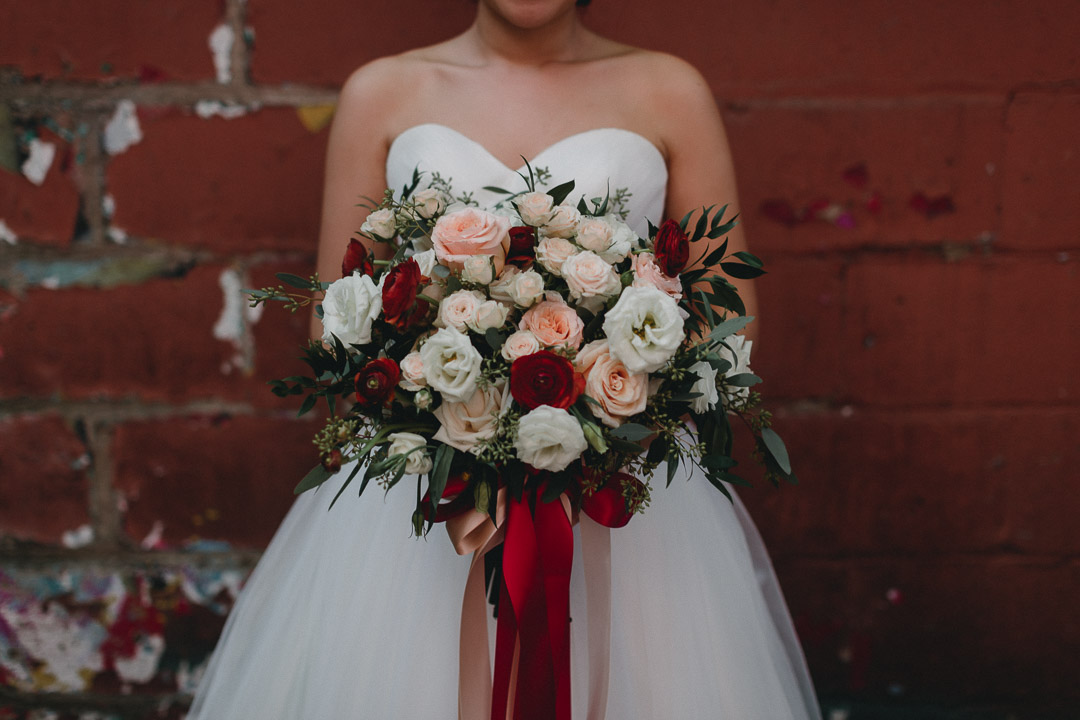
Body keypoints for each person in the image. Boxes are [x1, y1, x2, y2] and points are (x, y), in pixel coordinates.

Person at [188, 1, 822, 718]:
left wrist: (604, 406)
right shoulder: (383, 92)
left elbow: (729, 322)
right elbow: (336, 322)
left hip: (622, 491)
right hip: (424, 497)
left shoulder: (669, 89)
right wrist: (452, 408)